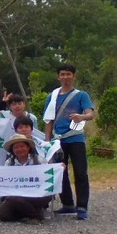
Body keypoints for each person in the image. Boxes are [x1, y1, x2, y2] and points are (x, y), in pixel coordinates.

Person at [44, 62, 95, 220]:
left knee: (80, 172)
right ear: (58, 76)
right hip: (58, 140)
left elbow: (90, 114)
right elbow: (49, 120)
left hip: (76, 138)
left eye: (68, 74)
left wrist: (82, 117)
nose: (65, 77)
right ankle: (67, 204)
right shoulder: (52, 96)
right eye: (62, 74)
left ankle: (81, 206)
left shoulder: (81, 95)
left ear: (74, 76)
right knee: (60, 172)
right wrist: (47, 142)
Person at [0, 134, 49, 222]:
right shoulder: (9, 163)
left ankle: (34, 216)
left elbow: (49, 175)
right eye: (16, 147)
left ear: (28, 147)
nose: (19, 149)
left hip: (37, 194)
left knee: (15, 200)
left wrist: (59, 168)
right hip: (16, 195)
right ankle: (34, 213)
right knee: (3, 215)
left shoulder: (39, 160)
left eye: (22, 146)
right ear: (12, 150)